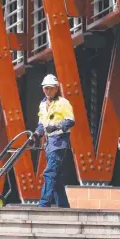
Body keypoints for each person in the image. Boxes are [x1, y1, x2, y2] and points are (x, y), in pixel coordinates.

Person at [29, 74, 75, 208]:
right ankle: (64, 206)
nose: (48, 91)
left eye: (50, 88)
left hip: (60, 143)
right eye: (45, 88)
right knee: (57, 177)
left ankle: (44, 204)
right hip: (49, 145)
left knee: (49, 173)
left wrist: (56, 126)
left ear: (56, 88)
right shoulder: (42, 104)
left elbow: (70, 121)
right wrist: (36, 135)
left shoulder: (63, 103)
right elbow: (41, 125)